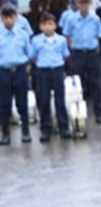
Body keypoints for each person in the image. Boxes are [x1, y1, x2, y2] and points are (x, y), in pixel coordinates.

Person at [62, 0, 101, 126]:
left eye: (86, 3)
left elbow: (99, 35)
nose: (84, 5)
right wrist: (71, 52)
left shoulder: (95, 19)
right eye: (81, 3)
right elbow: (68, 36)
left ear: (90, 4)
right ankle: (79, 113)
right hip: (77, 52)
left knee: (96, 83)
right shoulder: (71, 19)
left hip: (91, 52)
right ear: (77, 4)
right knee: (78, 83)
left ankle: (99, 113)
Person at [30, 12, 72, 141]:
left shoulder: (61, 40)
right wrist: (43, 64)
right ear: (40, 27)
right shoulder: (36, 40)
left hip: (57, 70)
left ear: (55, 26)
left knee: (60, 100)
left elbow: (65, 55)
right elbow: (33, 57)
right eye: (44, 24)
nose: (47, 27)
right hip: (43, 71)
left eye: (50, 24)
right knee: (44, 100)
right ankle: (45, 129)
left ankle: (63, 127)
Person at [0, 4, 32, 144]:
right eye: (5, 17)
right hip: (3, 71)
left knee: (22, 102)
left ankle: (25, 132)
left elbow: (29, 53)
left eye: (11, 17)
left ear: (15, 17)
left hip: (19, 70)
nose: (8, 20)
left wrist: (27, 70)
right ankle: (5, 134)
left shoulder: (22, 34)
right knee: (4, 104)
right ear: (1, 18)